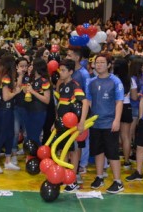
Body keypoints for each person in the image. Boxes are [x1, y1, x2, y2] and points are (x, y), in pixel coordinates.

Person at [85, 54, 125, 194]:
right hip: (95, 123)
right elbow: (88, 102)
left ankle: (118, 182)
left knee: (112, 153)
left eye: (102, 62)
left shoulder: (115, 81)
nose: (99, 64)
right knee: (98, 151)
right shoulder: (91, 82)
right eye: (97, 62)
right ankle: (99, 177)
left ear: (109, 65)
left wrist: (117, 120)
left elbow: (119, 102)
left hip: (110, 123)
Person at [55, 59, 89, 193]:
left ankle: (73, 179)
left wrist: (81, 123)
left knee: (74, 151)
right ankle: (65, 176)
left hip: (73, 125)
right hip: (62, 124)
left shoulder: (75, 86)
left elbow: (85, 103)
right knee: (64, 149)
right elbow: (60, 105)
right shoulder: (62, 86)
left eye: (63, 70)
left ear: (70, 72)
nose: (61, 72)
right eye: (60, 70)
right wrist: (55, 122)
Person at [0, 54, 22, 173]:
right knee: (3, 135)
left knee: (9, 135)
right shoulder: (6, 77)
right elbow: (6, 96)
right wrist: (16, 93)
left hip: (5, 109)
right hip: (5, 109)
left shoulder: (1, 76)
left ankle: (8, 161)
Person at [113, 58, 138, 169]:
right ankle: (127, 161)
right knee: (126, 136)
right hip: (126, 107)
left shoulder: (112, 79)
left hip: (113, 107)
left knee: (112, 135)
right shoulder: (131, 80)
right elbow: (134, 97)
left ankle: (111, 160)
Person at [24, 58, 51, 145]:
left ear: (38, 67)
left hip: (39, 112)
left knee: (35, 137)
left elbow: (47, 100)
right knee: (29, 136)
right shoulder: (31, 79)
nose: (30, 66)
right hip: (28, 110)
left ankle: (36, 157)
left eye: (32, 65)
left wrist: (32, 92)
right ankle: (30, 157)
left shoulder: (44, 81)